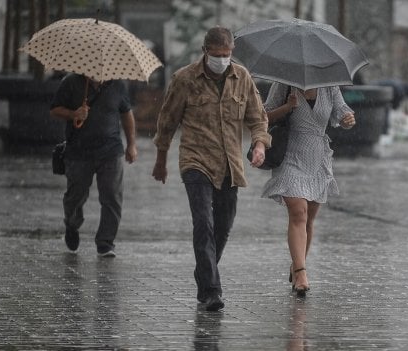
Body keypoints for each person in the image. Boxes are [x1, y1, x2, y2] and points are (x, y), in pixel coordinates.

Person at [151, 27, 270, 311]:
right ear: (205, 51)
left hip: (230, 163)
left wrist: (259, 145)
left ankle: (204, 271)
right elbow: (167, 121)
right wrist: (160, 159)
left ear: (232, 52)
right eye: (216, 55)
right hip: (196, 161)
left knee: (224, 226)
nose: (221, 60)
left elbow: (258, 118)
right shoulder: (184, 79)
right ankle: (211, 290)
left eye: (226, 55)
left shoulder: (242, 78)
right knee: (203, 222)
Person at [261, 82, 355, 297]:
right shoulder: (284, 84)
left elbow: (342, 110)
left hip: (318, 158)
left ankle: (297, 263)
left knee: (309, 218)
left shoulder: (329, 85)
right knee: (298, 212)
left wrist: (348, 118)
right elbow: (264, 116)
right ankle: (301, 272)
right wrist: (287, 107)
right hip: (290, 156)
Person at [50, 74, 137, 258]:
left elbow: (127, 113)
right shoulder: (71, 82)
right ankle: (72, 224)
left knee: (112, 196)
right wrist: (73, 114)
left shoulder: (118, 85)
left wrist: (131, 145)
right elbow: (54, 110)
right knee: (76, 196)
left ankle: (105, 243)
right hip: (79, 152)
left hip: (111, 151)